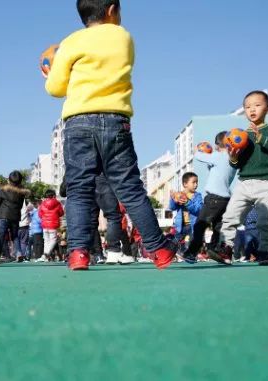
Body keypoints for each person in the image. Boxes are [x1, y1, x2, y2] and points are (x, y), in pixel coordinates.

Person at [45, 0, 176, 270]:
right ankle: (158, 250)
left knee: (79, 191)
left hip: (78, 121)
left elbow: (56, 89)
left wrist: (50, 72)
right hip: (116, 120)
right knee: (129, 188)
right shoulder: (123, 36)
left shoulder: (69, 42)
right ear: (112, 10)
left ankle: (78, 253)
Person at [208, 91, 268, 266]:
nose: (252, 109)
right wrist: (233, 156)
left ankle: (266, 252)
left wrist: (261, 138)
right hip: (244, 183)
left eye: (257, 105)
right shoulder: (240, 135)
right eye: (247, 107)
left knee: (267, 221)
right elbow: (236, 164)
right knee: (230, 217)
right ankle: (226, 250)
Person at [183, 132, 238, 262]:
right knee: (218, 227)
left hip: (213, 198)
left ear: (217, 145)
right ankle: (219, 252)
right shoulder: (232, 159)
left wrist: (197, 149)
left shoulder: (218, 156)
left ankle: (191, 253)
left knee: (200, 225)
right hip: (225, 200)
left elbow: (197, 156)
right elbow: (216, 170)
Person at [0, 171, 31, 263]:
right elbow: (21, 206)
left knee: (1, 235)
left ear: (9, 180)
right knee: (15, 236)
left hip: (4, 216)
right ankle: (19, 253)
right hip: (15, 217)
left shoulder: (3, 190)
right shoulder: (22, 193)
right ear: (20, 181)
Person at [169, 172, 203, 253]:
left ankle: (190, 256)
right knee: (175, 242)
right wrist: (173, 199)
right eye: (193, 182)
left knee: (193, 242)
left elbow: (199, 209)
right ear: (185, 184)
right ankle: (169, 254)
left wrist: (187, 202)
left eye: (197, 182)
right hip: (181, 225)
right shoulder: (179, 194)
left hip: (193, 225)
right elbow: (172, 207)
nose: (196, 184)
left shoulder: (198, 196)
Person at [38, 189, 64, 262]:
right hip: (53, 225)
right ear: (54, 195)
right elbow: (61, 213)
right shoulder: (57, 203)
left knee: (46, 241)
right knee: (53, 240)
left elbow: (40, 215)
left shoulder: (42, 204)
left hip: (45, 225)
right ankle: (45, 255)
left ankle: (45, 256)